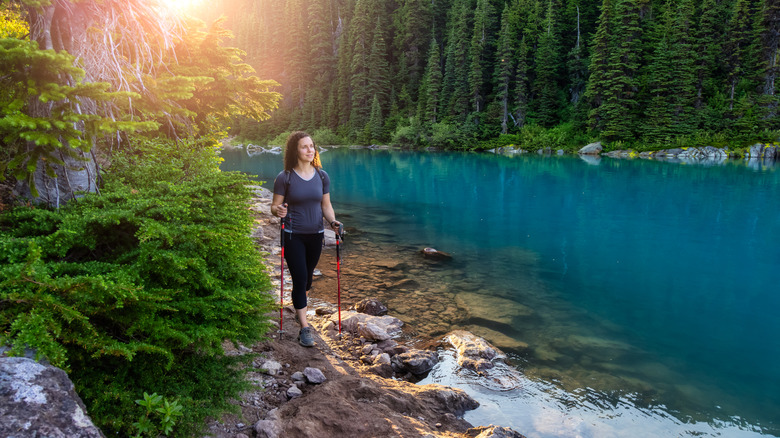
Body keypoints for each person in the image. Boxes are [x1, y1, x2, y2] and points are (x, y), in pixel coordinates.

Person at [271, 131, 342, 347]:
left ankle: (299, 306)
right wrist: (278, 211)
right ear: (295, 150)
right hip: (293, 235)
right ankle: (304, 327)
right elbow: (274, 206)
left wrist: (333, 222)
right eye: (304, 146)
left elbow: (325, 205)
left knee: (308, 278)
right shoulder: (285, 177)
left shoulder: (322, 176)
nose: (310, 150)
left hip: (316, 235)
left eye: (312, 146)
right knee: (300, 278)